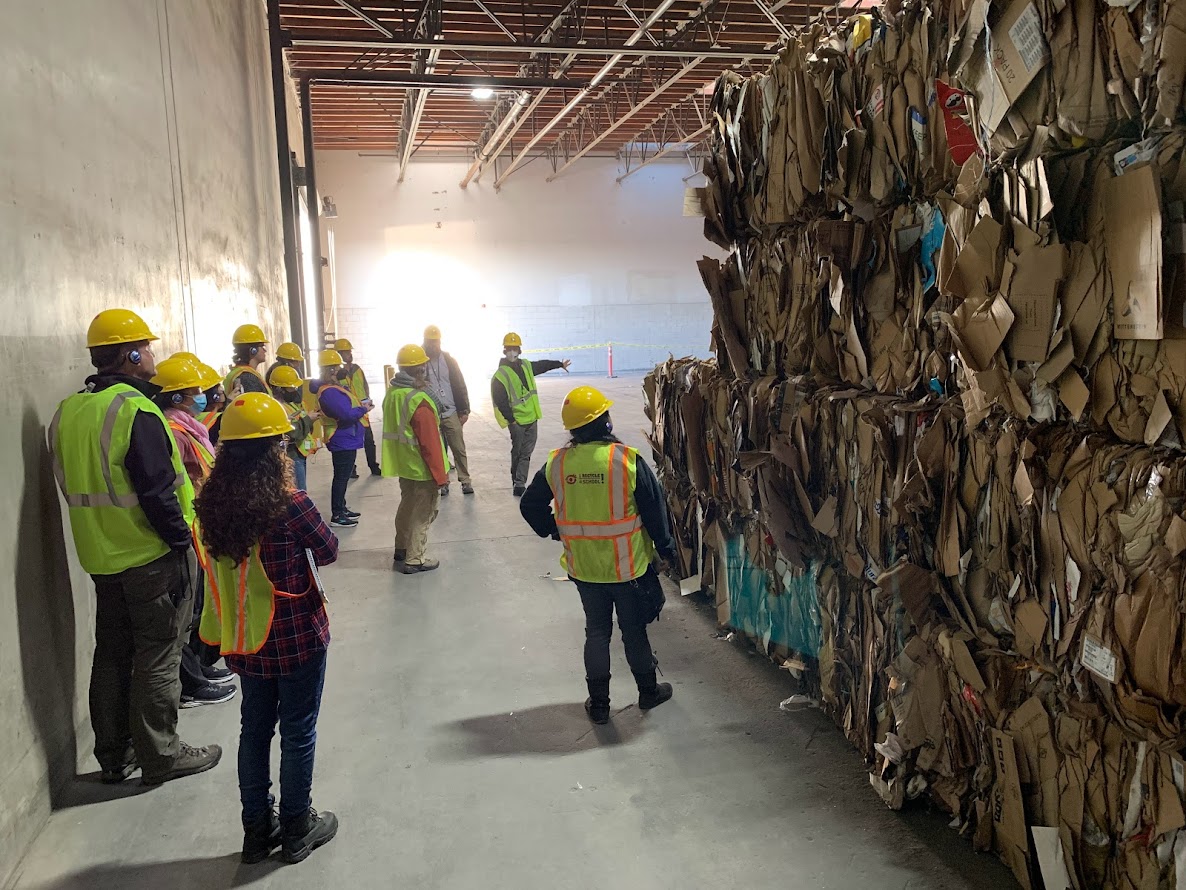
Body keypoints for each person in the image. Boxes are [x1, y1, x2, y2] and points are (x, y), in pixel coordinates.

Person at [49, 309, 222, 786]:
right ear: (130, 354)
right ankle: (161, 755)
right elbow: (158, 492)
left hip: (99, 556)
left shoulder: (69, 411)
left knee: (112, 652)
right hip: (149, 555)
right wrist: (177, 541)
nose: (152, 355)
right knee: (158, 654)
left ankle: (114, 754)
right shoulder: (135, 411)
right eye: (146, 347)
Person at [194, 393, 339, 865]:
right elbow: (329, 547)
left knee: (254, 733)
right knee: (298, 730)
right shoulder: (289, 503)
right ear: (276, 450)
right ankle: (297, 827)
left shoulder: (209, 505)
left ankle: (257, 832)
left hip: (245, 638)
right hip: (296, 634)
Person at [519, 386, 677, 725]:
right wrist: (666, 550)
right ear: (605, 421)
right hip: (627, 568)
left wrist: (555, 529)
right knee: (633, 631)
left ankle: (600, 704)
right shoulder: (626, 460)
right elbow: (654, 511)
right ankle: (648, 692)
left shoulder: (557, 463)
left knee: (597, 632)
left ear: (573, 429)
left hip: (585, 568)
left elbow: (530, 505)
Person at [150, 356, 237, 709]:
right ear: (176, 398)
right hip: (188, 524)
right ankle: (191, 682)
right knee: (188, 611)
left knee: (199, 603)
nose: (202, 396)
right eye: (194, 392)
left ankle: (199, 668)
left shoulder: (188, 427)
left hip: (199, 520)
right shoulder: (173, 432)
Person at [381, 345, 450, 574]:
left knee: (407, 506)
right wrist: (440, 475)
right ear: (418, 370)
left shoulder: (393, 393)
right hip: (422, 468)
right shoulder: (418, 400)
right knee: (424, 512)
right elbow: (430, 443)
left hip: (404, 464)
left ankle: (401, 548)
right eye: (423, 367)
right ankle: (415, 559)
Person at [491, 332, 570, 496]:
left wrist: (559, 364)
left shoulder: (525, 366)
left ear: (519, 350)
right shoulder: (501, 375)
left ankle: (519, 483)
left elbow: (541, 365)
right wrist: (511, 421)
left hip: (532, 418)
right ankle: (516, 480)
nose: (512, 352)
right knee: (518, 452)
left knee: (526, 453)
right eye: (509, 349)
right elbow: (501, 400)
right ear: (504, 350)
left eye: (515, 349)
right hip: (517, 422)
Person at [309, 349, 372, 528]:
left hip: (346, 437)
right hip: (341, 437)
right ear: (330, 370)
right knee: (341, 477)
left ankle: (342, 508)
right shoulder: (328, 392)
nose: (340, 370)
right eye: (336, 368)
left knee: (342, 477)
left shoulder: (333, 388)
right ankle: (337, 514)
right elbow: (345, 414)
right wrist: (364, 409)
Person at [422, 324, 473, 495]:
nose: (434, 345)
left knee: (458, 448)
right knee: (438, 451)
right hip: (432, 414)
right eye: (431, 342)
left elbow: (460, 383)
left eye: (436, 342)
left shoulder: (449, 360)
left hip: (451, 411)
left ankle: (465, 481)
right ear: (425, 341)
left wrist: (464, 409)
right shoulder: (420, 363)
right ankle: (443, 483)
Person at [334, 338, 381, 477]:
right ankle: (351, 470)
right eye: (346, 352)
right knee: (350, 442)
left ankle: (373, 466)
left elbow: (365, 385)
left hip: (363, 411)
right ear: (339, 354)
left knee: (369, 441)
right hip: (349, 412)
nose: (350, 354)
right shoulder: (337, 374)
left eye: (350, 351)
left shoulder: (357, 369)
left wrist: (367, 399)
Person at [269, 364, 319, 492]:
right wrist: (308, 419)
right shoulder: (277, 408)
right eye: (292, 388)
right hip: (292, 455)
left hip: (298, 454)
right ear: (280, 389)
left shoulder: (290, 405)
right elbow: (292, 432)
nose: (296, 391)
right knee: (299, 492)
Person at [224, 324, 271, 397]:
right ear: (253, 350)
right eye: (262, 346)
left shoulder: (238, 372)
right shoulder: (248, 378)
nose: (265, 350)